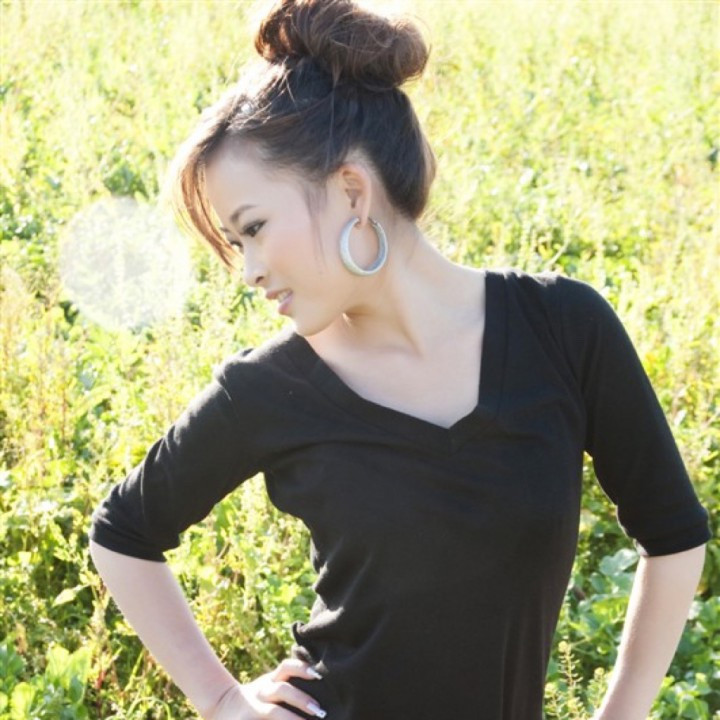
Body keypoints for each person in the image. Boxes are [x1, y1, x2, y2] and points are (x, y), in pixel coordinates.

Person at [88, 1, 711, 718]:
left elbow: (673, 533)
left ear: (353, 190)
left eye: (254, 228)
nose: (248, 270)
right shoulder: (267, 388)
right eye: (236, 243)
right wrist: (225, 700)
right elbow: (122, 532)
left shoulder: (563, 329)